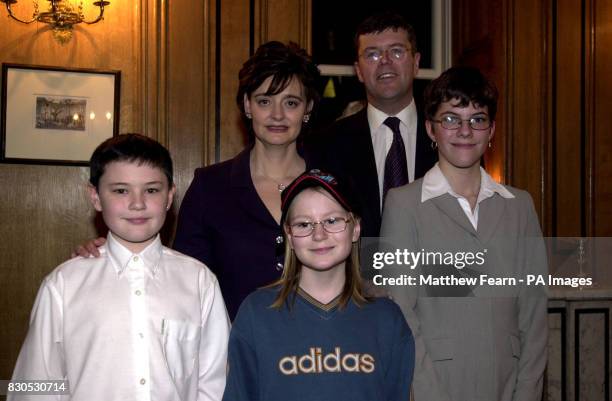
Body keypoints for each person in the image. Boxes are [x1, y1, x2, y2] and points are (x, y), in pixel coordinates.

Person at [73, 41, 320, 320]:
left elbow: (365, 273)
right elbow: (181, 276)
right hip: (234, 353)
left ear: (307, 107)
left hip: (324, 351)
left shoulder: (335, 184)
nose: (277, 114)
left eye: (291, 102)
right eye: (265, 101)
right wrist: (108, 254)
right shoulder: (210, 186)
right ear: (247, 105)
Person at [10, 134, 230, 401]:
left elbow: (216, 383)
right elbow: (35, 383)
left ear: (170, 195)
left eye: (151, 190)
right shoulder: (63, 285)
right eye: (121, 190)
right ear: (95, 197)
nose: (137, 203)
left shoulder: (199, 281)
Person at [380, 67, 548, 401]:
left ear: (492, 130)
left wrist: (526, 393)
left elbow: (534, 315)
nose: (465, 131)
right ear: (431, 129)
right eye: (452, 119)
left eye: (477, 119)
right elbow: (401, 314)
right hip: (435, 385)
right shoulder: (403, 205)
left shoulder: (520, 207)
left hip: (509, 384)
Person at [222, 169, 415, 401]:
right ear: (289, 236)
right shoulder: (256, 315)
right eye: (304, 224)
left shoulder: (387, 319)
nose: (319, 234)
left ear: (355, 228)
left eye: (332, 220)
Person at [309, 11, 437, 237]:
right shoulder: (328, 145)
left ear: (416, 63)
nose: (385, 61)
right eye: (372, 54)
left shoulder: (449, 137)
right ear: (358, 70)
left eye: (396, 51)